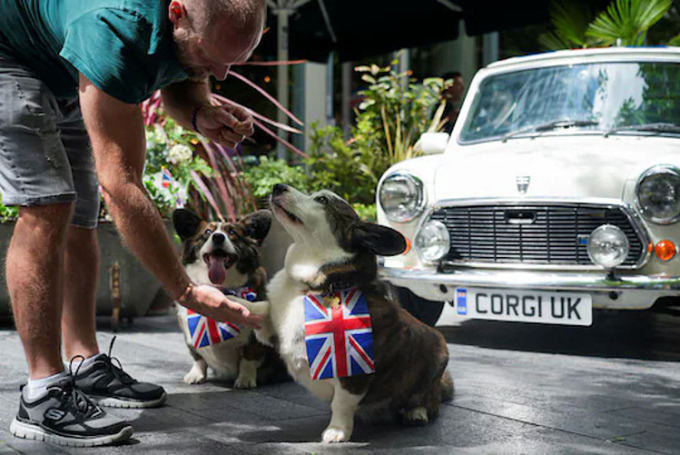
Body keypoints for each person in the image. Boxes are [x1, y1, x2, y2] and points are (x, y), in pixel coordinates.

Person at [0, 0, 266, 447]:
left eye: (232, 62)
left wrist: (201, 113)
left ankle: (83, 362)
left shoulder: (193, 26)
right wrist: (184, 290)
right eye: (211, 56)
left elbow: (186, 78)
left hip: (66, 62)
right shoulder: (115, 27)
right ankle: (42, 394)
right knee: (47, 205)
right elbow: (122, 186)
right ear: (176, 12)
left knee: (81, 215)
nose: (221, 75)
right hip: (11, 56)